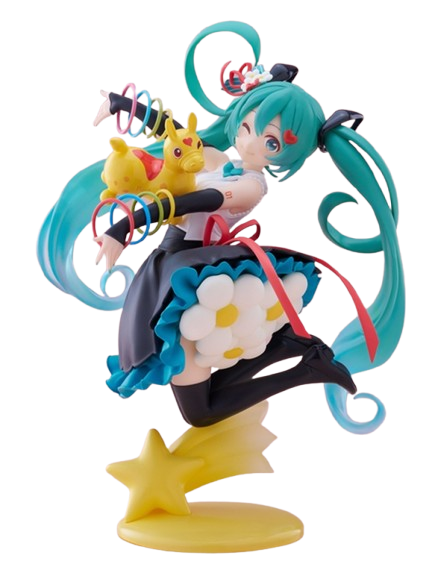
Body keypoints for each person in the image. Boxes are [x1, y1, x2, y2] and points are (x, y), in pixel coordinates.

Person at [36, 21, 404, 435]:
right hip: (173, 265)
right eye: (247, 126)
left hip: (191, 274)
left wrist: (128, 224)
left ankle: (307, 369)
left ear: (291, 154)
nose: (250, 142)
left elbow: (199, 201)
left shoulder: (252, 184)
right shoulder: (218, 160)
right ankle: (287, 349)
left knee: (199, 412)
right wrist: (128, 107)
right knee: (202, 398)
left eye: (272, 142)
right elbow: (178, 138)